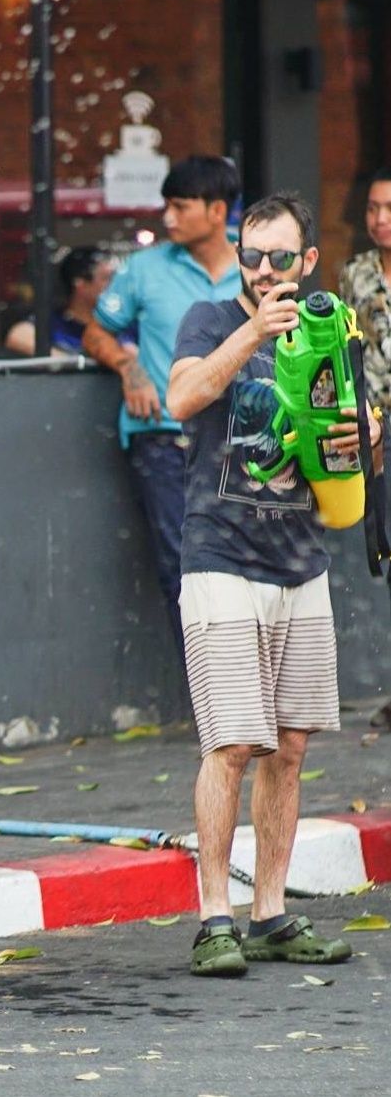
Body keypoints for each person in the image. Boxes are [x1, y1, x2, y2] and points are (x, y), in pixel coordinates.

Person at [165, 192, 373, 977]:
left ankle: (271, 914)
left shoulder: (332, 327)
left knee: (287, 747)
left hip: (301, 561)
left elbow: (362, 430)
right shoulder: (210, 320)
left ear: (307, 261)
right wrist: (252, 329)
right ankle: (213, 917)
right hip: (219, 558)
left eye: (278, 259)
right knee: (231, 744)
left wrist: (367, 430)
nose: (262, 271)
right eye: (250, 256)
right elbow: (182, 397)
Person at [83, 156, 243, 659]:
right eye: (166, 206)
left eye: (180, 207)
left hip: (242, 441)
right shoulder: (145, 268)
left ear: (217, 211)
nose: (167, 218)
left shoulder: (253, 266)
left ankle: (246, 693)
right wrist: (130, 369)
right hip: (163, 440)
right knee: (183, 566)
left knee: (243, 564)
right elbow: (96, 331)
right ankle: (210, 700)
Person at [331, 168, 391, 731]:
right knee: (387, 547)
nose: (379, 219)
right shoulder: (354, 275)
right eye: (372, 208)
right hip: (378, 425)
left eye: (388, 208)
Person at [5, 246, 127, 356]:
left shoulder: (122, 323)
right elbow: (18, 335)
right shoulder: (55, 324)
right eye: (106, 278)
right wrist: (67, 363)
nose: (115, 286)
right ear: (81, 284)